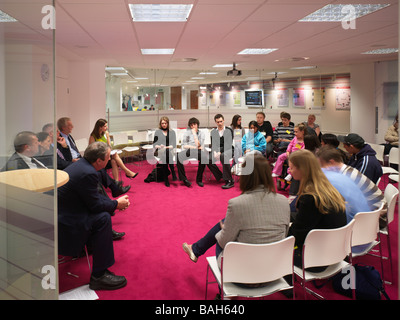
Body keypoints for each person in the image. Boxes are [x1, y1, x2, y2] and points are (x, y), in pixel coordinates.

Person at [182, 154, 290, 271]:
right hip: (274, 269)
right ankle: (196, 249)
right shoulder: (283, 201)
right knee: (228, 224)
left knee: (222, 233)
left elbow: (224, 241)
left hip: (242, 274)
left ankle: (197, 250)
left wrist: (224, 230)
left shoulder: (237, 204)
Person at [58, 141, 129, 290]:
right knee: (103, 218)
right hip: (65, 219)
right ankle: (99, 275)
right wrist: (116, 204)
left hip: (67, 209)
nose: (110, 159)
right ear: (99, 160)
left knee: (102, 212)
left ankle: (91, 246)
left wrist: (113, 203)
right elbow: (95, 205)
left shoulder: (84, 166)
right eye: (108, 157)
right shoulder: (88, 172)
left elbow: (93, 197)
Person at [287, 149, 347, 271]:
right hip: (336, 251)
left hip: (316, 260)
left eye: (292, 168)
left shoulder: (310, 198)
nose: (289, 171)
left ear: (302, 169)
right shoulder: (327, 188)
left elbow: (298, 234)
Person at [57, 117, 130, 197]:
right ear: (64, 127)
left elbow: (75, 150)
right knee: (97, 169)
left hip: (80, 159)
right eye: (70, 125)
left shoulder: (69, 136)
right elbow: (63, 158)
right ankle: (114, 187)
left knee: (100, 168)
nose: (72, 127)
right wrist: (73, 161)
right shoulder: (59, 139)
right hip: (73, 163)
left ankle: (114, 187)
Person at [316, 146, 385, 212]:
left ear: (331, 162)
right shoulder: (346, 170)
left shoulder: (347, 177)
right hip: (372, 207)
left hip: (376, 212)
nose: (321, 169)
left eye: (321, 165)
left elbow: (342, 203)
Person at [176, 117, 222, 187]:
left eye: (194, 124)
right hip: (188, 151)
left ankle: (199, 179)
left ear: (197, 124)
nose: (193, 126)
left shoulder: (201, 133)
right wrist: (194, 147)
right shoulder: (187, 133)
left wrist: (194, 134)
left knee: (203, 158)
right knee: (178, 156)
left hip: (198, 151)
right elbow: (184, 146)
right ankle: (184, 179)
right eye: (191, 125)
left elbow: (200, 145)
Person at [211, 114, 234, 189]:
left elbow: (228, 144)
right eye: (218, 122)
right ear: (215, 122)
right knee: (207, 159)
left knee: (223, 156)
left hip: (229, 149)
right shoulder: (213, 132)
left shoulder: (229, 130)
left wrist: (219, 152)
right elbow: (213, 144)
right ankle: (220, 175)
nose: (220, 123)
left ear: (223, 121)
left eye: (221, 121)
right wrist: (214, 152)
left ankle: (229, 181)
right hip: (218, 151)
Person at [153, 116, 177, 187]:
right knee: (165, 153)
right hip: (160, 151)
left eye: (165, 123)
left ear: (168, 123)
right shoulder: (157, 132)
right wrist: (160, 146)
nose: (164, 125)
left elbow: (174, 145)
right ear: (160, 124)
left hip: (170, 150)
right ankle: (173, 172)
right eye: (162, 123)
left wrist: (166, 147)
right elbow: (154, 145)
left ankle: (166, 178)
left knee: (166, 153)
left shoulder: (172, 132)